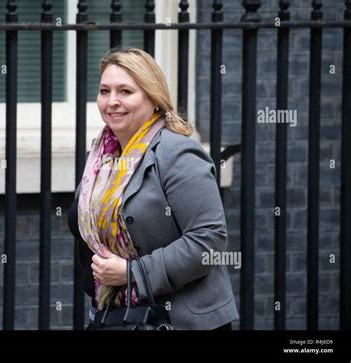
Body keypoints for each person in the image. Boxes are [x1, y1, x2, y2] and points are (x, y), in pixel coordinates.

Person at [68, 47, 239, 330]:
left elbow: (209, 241)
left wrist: (133, 272)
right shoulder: (102, 156)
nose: (112, 102)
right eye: (104, 91)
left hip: (178, 321)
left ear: (153, 97)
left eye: (125, 91)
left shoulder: (177, 152)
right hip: (115, 316)